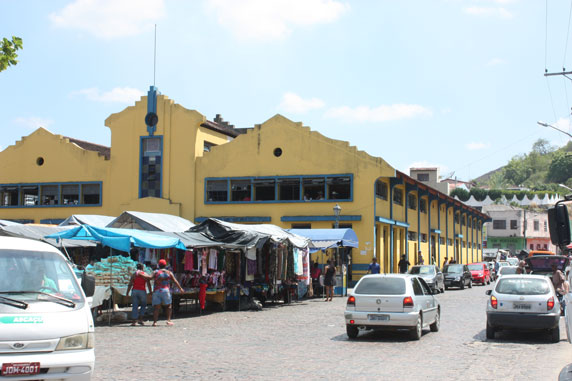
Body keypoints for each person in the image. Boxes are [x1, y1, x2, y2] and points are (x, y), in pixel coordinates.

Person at [152, 259, 184, 326]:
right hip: (166, 290)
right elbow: (175, 281)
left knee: (156, 307)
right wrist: (180, 288)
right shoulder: (169, 272)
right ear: (165, 265)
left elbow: (149, 278)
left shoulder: (155, 272)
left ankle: (155, 322)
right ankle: (168, 320)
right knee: (168, 306)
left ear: (159, 265)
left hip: (157, 290)